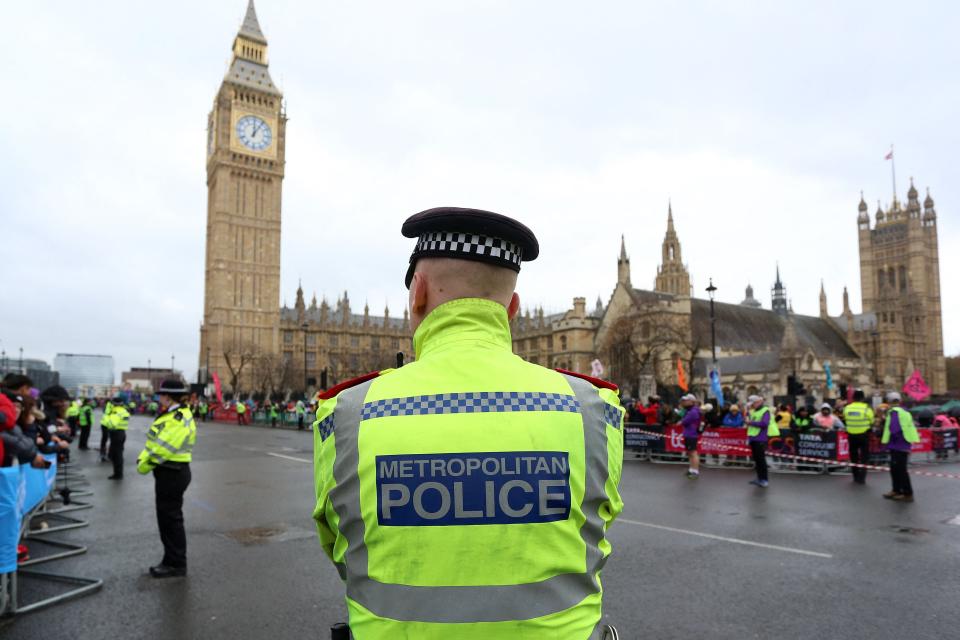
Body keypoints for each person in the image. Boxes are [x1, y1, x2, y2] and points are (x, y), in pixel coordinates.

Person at [312, 207, 624, 638]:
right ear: (513, 308)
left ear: (417, 292)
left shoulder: (346, 413)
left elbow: (341, 546)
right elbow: (595, 532)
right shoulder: (594, 409)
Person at [137, 378, 197, 578]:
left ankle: (177, 563)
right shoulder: (172, 415)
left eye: (161, 394)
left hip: (172, 471)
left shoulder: (178, 418)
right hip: (169, 471)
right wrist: (145, 458)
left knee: (171, 520)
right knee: (167, 519)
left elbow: (164, 448)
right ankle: (170, 559)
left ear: (169, 397)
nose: (159, 397)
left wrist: (144, 465)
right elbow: (154, 443)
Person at [881, 392, 917, 502]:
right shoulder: (904, 411)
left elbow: (894, 429)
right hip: (901, 443)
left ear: (889, 402)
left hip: (898, 444)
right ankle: (896, 490)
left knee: (900, 469)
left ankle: (907, 493)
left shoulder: (895, 413)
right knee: (895, 468)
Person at [745, 394, 779, 487]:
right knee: (756, 459)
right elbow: (748, 419)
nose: (752, 405)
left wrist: (750, 422)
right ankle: (759, 478)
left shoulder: (765, 410)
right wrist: (747, 409)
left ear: (759, 402)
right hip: (753, 438)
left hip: (760, 438)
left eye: (753, 403)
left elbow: (764, 423)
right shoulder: (754, 411)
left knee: (761, 460)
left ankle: (764, 480)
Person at [843, 389, 875, 484]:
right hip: (863, 435)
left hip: (851, 436)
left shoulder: (847, 408)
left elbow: (845, 419)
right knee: (865, 457)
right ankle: (862, 478)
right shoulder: (866, 408)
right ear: (862, 398)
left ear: (853, 398)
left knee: (854, 457)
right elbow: (872, 421)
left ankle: (855, 476)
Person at [104, 395, 130, 479]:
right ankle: (118, 473)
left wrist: (107, 417)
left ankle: (118, 474)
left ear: (114, 404)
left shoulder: (115, 412)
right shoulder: (124, 411)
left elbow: (111, 424)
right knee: (118, 454)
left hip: (116, 434)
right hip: (121, 433)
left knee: (116, 455)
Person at [679, 393, 702, 479]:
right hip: (688, 433)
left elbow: (684, 421)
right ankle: (691, 469)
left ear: (692, 401)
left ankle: (695, 471)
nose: (684, 402)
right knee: (690, 453)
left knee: (693, 453)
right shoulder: (689, 410)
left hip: (691, 434)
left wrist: (683, 419)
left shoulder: (693, 411)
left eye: (686, 400)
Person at [100, 396, 115, 462]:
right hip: (109, 424)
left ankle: (103, 453)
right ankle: (109, 455)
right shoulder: (111, 406)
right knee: (111, 440)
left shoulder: (106, 406)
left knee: (104, 439)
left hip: (104, 423)